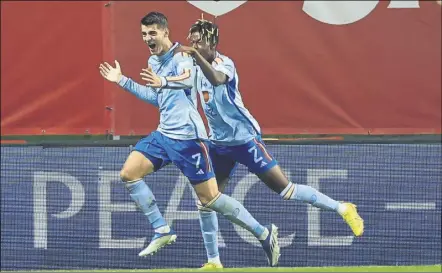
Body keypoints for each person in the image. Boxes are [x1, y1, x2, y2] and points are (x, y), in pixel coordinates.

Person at [173, 18, 364, 269]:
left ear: (213, 43)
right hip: (218, 144)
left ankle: (342, 208)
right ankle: (213, 261)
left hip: (245, 140)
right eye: (192, 42)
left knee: (286, 190)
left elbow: (218, 79)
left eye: (200, 42)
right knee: (206, 200)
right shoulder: (193, 67)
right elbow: (175, 67)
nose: (194, 46)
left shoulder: (224, 63)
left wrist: (195, 56)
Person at [99, 11, 280, 266]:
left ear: (164, 32)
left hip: (189, 139)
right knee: (129, 173)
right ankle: (162, 230)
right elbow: (157, 98)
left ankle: (263, 233)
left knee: (210, 200)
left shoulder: (183, 55)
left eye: (152, 33)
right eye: (143, 34)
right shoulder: (153, 60)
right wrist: (123, 81)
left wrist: (162, 81)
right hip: (164, 135)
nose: (147, 38)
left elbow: (187, 81)